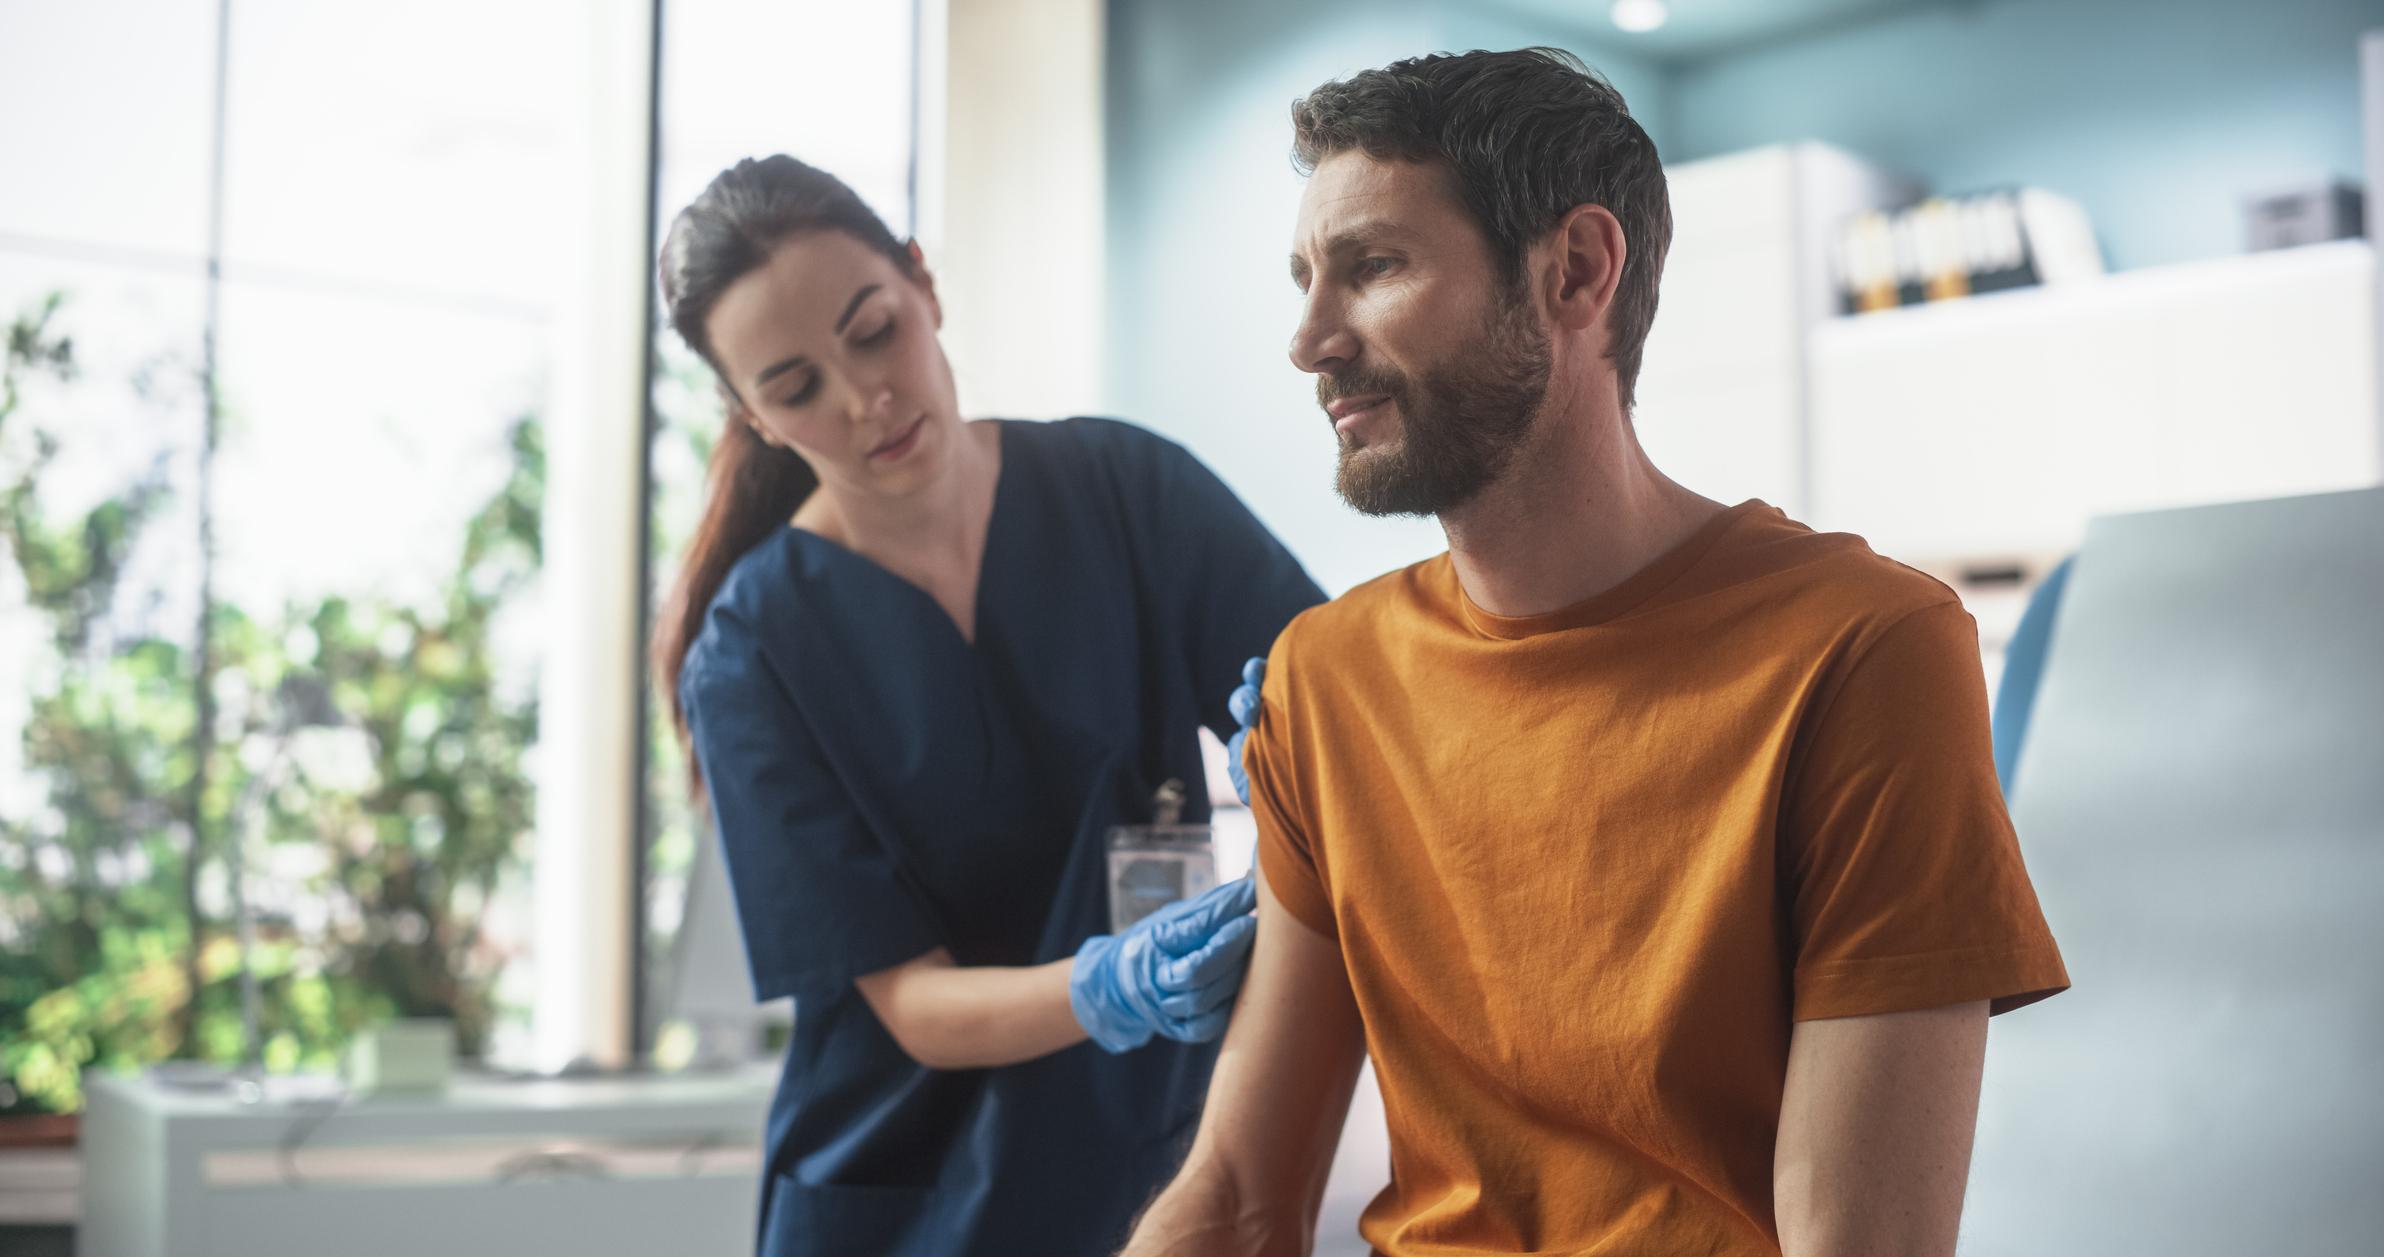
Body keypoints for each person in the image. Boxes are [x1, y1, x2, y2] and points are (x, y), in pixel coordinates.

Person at [1125, 48, 2069, 1257]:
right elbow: (1234, 1200)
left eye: (1371, 268)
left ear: (1573, 271)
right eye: (1305, 280)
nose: (1310, 339)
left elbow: (1856, 1237)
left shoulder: (1860, 652)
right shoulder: (1325, 678)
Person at [653, 155, 1324, 1257]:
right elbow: (914, 1009)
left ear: (924, 285)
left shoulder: (1129, 495)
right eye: (794, 387)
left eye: (873, 331)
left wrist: (1311, 736)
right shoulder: (752, 652)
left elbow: (1346, 712)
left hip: (1141, 1177)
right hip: (895, 1206)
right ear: (753, 417)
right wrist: (1115, 984)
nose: (863, 398)